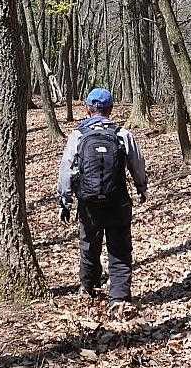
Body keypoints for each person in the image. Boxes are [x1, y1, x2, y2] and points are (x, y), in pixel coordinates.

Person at [57, 87, 148, 308]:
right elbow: (137, 164)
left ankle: (88, 288)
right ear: (111, 109)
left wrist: (65, 200)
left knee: (89, 245)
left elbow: (66, 169)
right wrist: (141, 187)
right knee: (119, 249)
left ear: (88, 109)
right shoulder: (122, 134)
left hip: (88, 202)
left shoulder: (78, 135)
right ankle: (119, 299)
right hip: (118, 200)